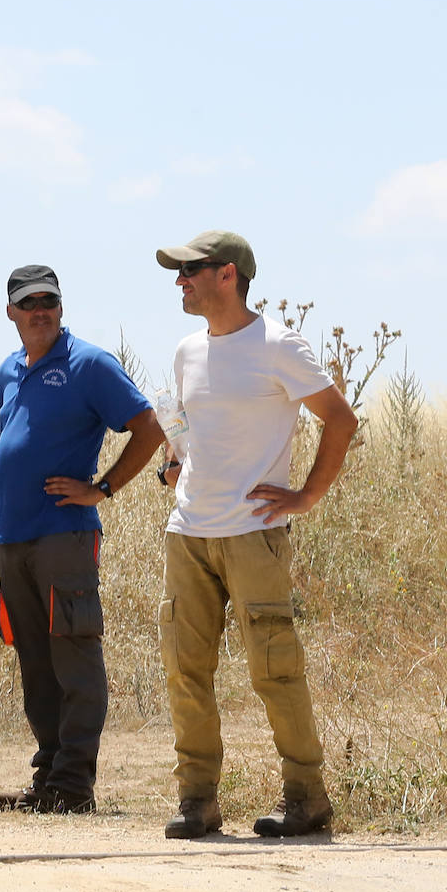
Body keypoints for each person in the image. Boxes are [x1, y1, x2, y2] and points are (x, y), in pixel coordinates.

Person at [153, 230, 357, 839]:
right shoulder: (187, 351)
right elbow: (190, 432)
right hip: (187, 531)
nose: (180, 281)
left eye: (192, 271)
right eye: (179, 272)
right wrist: (175, 462)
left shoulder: (278, 346)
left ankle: (307, 799)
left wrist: (308, 495)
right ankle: (197, 802)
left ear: (229, 275)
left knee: (275, 670)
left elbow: (341, 419)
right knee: (185, 669)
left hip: (254, 533)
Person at [0, 265, 163, 814]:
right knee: (35, 660)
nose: (40, 311)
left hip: (64, 536)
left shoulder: (88, 363)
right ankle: (49, 778)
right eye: (28, 302)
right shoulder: (9, 370)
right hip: (12, 538)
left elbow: (149, 427)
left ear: (61, 308)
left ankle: (73, 784)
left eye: (49, 301)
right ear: (11, 312)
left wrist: (102, 488)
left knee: (74, 655)